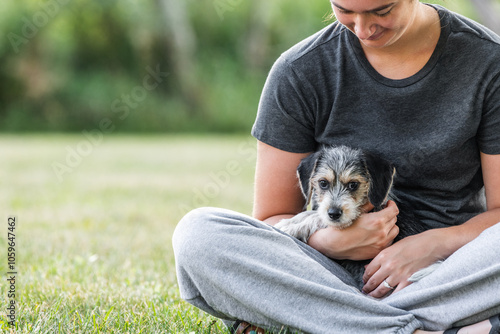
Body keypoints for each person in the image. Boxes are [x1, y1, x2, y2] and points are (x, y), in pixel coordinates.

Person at [173, 1, 500, 333]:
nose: (362, 28)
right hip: (326, 274)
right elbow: (272, 224)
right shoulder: (298, 71)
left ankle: (325, 319)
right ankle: (435, 326)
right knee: (198, 235)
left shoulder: (489, 62)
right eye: (344, 9)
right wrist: (328, 242)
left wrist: (431, 245)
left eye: (382, 10)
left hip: (448, 272)